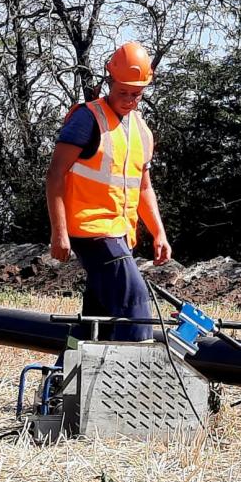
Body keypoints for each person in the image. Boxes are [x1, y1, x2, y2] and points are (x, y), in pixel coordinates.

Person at [45, 42, 171, 341]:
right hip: (90, 230)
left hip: (120, 234)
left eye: (136, 94)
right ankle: (135, 381)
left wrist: (159, 233)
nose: (129, 100)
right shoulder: (86, 119)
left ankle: (63, 382)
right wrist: (59, 232)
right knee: (135, 301)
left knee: (97, 318)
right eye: (123, 91)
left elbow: (143, 187)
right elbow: (54, 175)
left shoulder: (142, 130)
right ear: (109, 82)